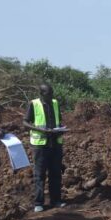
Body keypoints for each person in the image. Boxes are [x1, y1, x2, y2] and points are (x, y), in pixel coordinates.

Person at [23, 84, 67, 212]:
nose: (51, 96)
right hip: (40, 144)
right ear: (41, 94)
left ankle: (56, 200)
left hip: (55, 143)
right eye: (48, 94)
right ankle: (39, 202)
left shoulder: (55, 103)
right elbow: (25, 122)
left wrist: (61, 129)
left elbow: (59, 121)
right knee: (39, 174)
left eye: (52, 93)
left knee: (55, 172)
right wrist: (39, 129)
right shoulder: (33, 104)